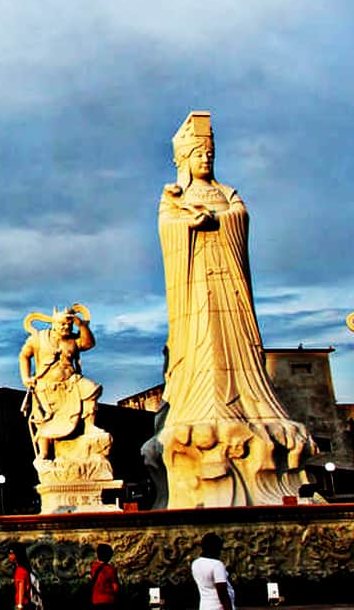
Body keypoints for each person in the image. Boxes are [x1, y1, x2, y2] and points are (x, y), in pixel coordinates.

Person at [157, 111, 310, 506]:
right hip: (195, 292)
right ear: (185, 159)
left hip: (230, 289)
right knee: (198, 343)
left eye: (209, 153)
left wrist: (221, 218)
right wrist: (187, 223)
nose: (206, 159)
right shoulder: (173, 199)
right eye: (198, 153)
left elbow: (240, 218)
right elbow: (168, 231)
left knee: (239, 343)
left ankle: (252, 412)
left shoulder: (228, 193)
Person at [18, 304, 100, 460]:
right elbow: (24, 356)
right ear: (54, 324)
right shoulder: (39, 338)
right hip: (46, 386)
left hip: (71, 382)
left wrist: (82, 325)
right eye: (62, 324)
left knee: (92, 389)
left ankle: (90, 426)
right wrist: (26, 377)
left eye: (68, 324)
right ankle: (44, 453)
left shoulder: (73, 340)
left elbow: (89, 344)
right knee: (43, 418)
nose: (66, 327)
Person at [190, 533, 234, 610]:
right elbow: (222, 593)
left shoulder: (195, 563)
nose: (220, 552)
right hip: (218, 607)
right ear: (215, 548)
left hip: (204, 606)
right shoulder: (217, 565)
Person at [8, 543, 41, 610]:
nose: (9, 555)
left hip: (22, 604)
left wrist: (19, 605)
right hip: (27, 603)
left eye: (11, 553)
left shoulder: (20, 571)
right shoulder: (26, 568)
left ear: (18, 555)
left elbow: (21, 588)